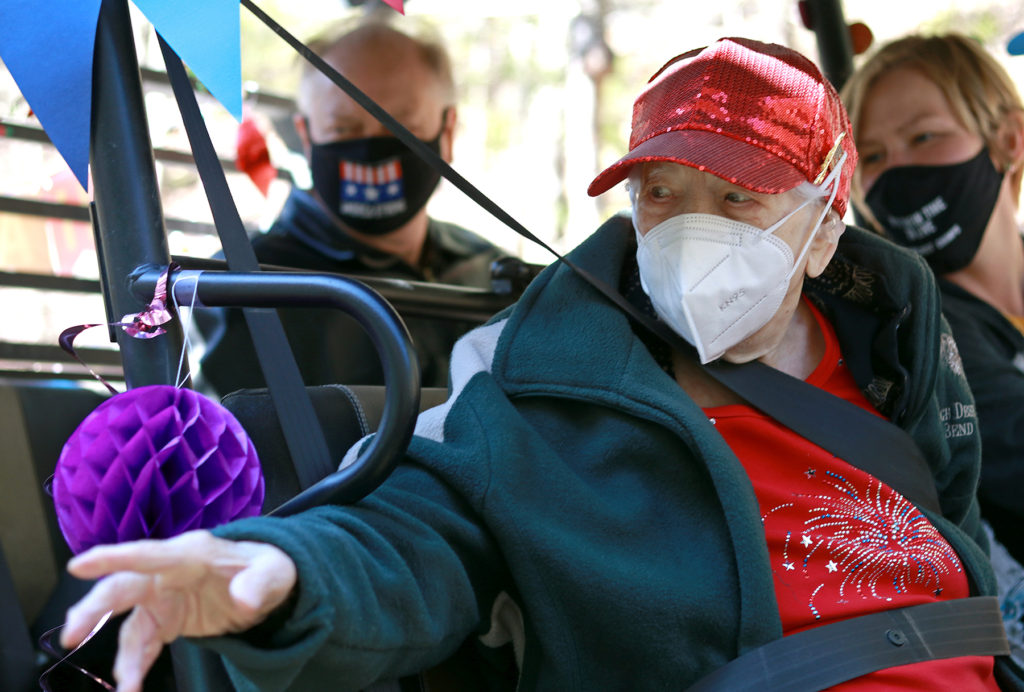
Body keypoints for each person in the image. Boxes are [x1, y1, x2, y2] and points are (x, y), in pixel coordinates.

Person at [61, 38, 1020, 691]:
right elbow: (425, 532)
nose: (692, 228)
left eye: (738, 198)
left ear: (821, 229)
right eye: (661, 192)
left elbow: (964, 540)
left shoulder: (901, 353)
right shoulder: (554, 383)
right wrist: (283, 568)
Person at [199, 19, 510, 395]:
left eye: (399, 126)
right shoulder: (244, 288)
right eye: (344, 129)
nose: (371, 147)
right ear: (306, 137)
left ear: (447, 131)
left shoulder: (492, 275)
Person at [840, 34, 1024, 568]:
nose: (897, 170)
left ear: (1009, 139)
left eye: (924, 136)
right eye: (873, 156)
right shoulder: (913, 326)